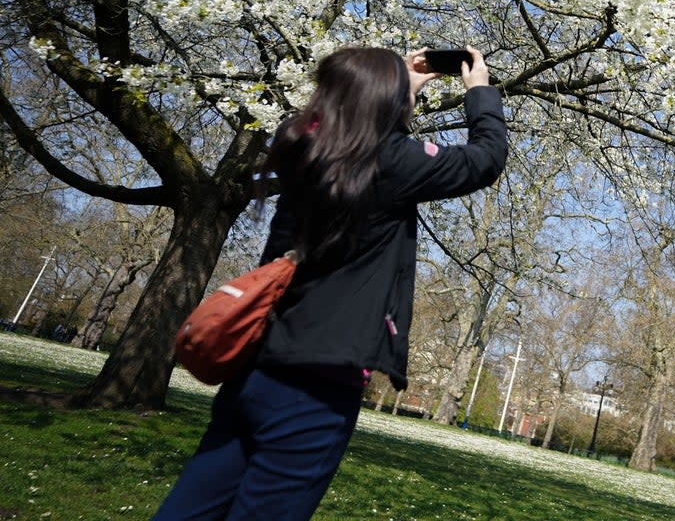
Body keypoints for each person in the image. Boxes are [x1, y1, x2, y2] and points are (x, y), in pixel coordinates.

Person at [154, 45, 507, 520]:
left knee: (192, 507)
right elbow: (484, 159)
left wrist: (398, 92)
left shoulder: (301, 150)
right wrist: (479, 91)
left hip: (256, 366)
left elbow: (361, 143)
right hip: (318, 384)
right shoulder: (392, 163)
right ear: (383, 100)